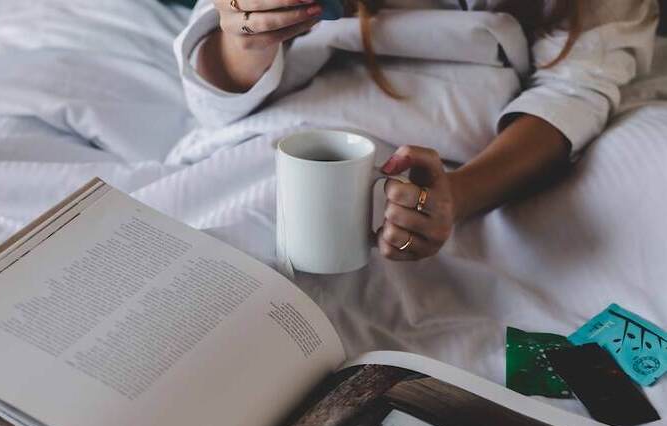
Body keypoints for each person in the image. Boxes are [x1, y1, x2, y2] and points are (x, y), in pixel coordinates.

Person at [176, 0, 659, 260]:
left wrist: (453, 199)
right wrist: (249, 32)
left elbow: (573, 92)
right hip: (286, 123)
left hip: (454, 153)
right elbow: (216, 75)